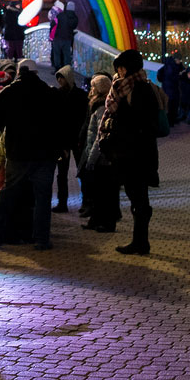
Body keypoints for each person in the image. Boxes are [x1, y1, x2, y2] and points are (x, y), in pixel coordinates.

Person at [0, 58, 60, 249]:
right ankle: (41, 239)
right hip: (46, 155)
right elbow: (59, 122)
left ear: (20, 72)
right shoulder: (48, 92)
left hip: (19, 152)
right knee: (42, 198)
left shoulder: (10, 92)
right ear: (36, 73)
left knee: (10, 190)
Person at [96, 49, 159, 255]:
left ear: (129, 67)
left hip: (136, 154)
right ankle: (140, 241)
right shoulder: (132, 87)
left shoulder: (138, 89)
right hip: (134, 153)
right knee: (137, 198)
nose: (119, 72)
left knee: (139, 199)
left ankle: (140, 242)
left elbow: (138, 122)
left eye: (121, 68)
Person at [77, 73, 116, 229]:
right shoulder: (96, 104)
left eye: (93, 87)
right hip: (98, 154)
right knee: (98, 191)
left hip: (102, 157)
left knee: (102, 191)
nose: (90, 90)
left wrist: (91, 158)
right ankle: (96, 220)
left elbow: (100, 134)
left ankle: (105, 222)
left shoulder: (100, 106)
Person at [52, 65, 86, 212]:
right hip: (63, 140)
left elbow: (83, 117)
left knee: (82, 171)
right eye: (58, 77)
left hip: (77, 138)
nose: (60, 80)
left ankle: (87, 202)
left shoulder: (80, 95)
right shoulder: (57, 94)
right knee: (62, 173)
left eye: (62, 77)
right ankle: (62, 202)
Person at [156, 53, 184, 124]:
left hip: (170, 87)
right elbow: (172, 77)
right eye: (179, 60)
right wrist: (180, 75)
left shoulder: (171, 64)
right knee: (171, 104)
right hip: (170, 88)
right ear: (176, 60)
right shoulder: (170, 66)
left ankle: (172, 119)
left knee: (172, 104)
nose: (179, 62)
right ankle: (171, 120)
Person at [50, 4, 78, 72]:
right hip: (67, 39)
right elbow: (74, 27)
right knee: (66, 55)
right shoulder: (75, 18)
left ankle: (57, 69)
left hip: (58, 38)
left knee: (57, 54)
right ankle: (66, 70)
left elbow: (53, 23)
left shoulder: (61, 15)